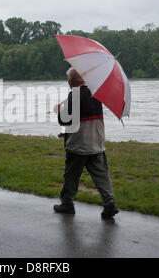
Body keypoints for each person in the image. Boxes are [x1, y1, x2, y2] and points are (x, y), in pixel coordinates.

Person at [54, 68, 119, 219]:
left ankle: (67, 203)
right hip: (97, 143)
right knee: (102, 175)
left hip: (78, 145)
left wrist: (59, 110)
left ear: (70, 82)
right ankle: (110, 203)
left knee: (71, 175)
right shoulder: (96, 94)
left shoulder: (74, 96)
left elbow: (65, 120)